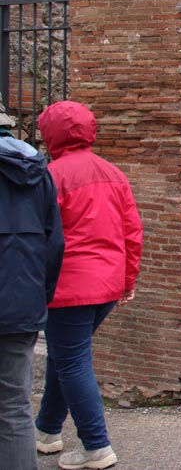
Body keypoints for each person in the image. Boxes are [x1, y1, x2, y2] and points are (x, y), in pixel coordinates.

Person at [34, 101, 143, 470]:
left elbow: (41, 237)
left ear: (50, 134)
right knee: (64, 357)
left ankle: (96, 447)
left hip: (67, 289)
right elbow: (132, 232)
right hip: (107, 286)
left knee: (72, 361)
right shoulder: (114, 173)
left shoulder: (49, 176)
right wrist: (127, 280)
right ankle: (46, 431)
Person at [0, 101, 65, 470]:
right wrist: (39, 296)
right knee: (14, 406)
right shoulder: (36, 170)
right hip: (21, 303)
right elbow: (53, 243)